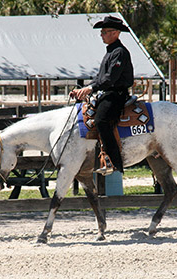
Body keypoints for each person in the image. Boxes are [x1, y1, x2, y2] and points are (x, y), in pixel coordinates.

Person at [70, 16, 134, 175]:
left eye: (104, 32)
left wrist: (91, 88)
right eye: (102, 32)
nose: (101, 35)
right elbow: (100, 78)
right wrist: (84, 89)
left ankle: (113, 161)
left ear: (115, 33)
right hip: (108, 92)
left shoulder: (119, 52)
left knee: (101, 120)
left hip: (116, 94)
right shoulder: (111, 52)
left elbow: (110, 79)